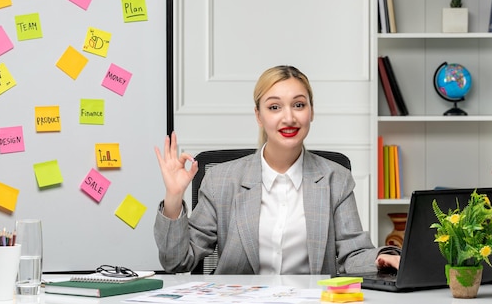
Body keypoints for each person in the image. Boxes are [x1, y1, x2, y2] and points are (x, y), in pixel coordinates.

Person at [154, 65, 400, 274]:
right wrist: (174, 198)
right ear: (258, 116)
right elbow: (177, 261)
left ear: (311, 112)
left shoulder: (336, 179)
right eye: (274, 107)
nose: (289, 118)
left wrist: (384, 257)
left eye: (299, 105)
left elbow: (353, 254)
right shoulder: (220, 180)